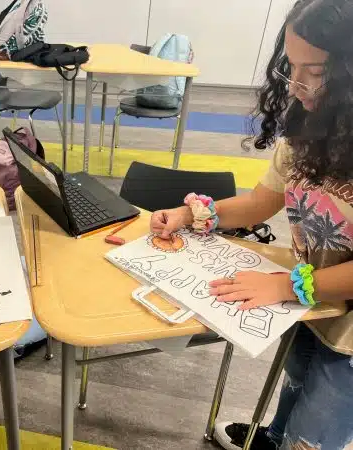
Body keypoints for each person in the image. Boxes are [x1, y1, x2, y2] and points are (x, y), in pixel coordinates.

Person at [150, 1, 353, 449]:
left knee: (320, 425)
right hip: (316, 299)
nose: (296, 85)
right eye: (291, 66)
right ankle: (277, 437)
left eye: (315, 71)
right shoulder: (310, 128)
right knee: (296, 381)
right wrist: (190, 215)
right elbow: (259, 204)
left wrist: (286, 286)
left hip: (344, 327)